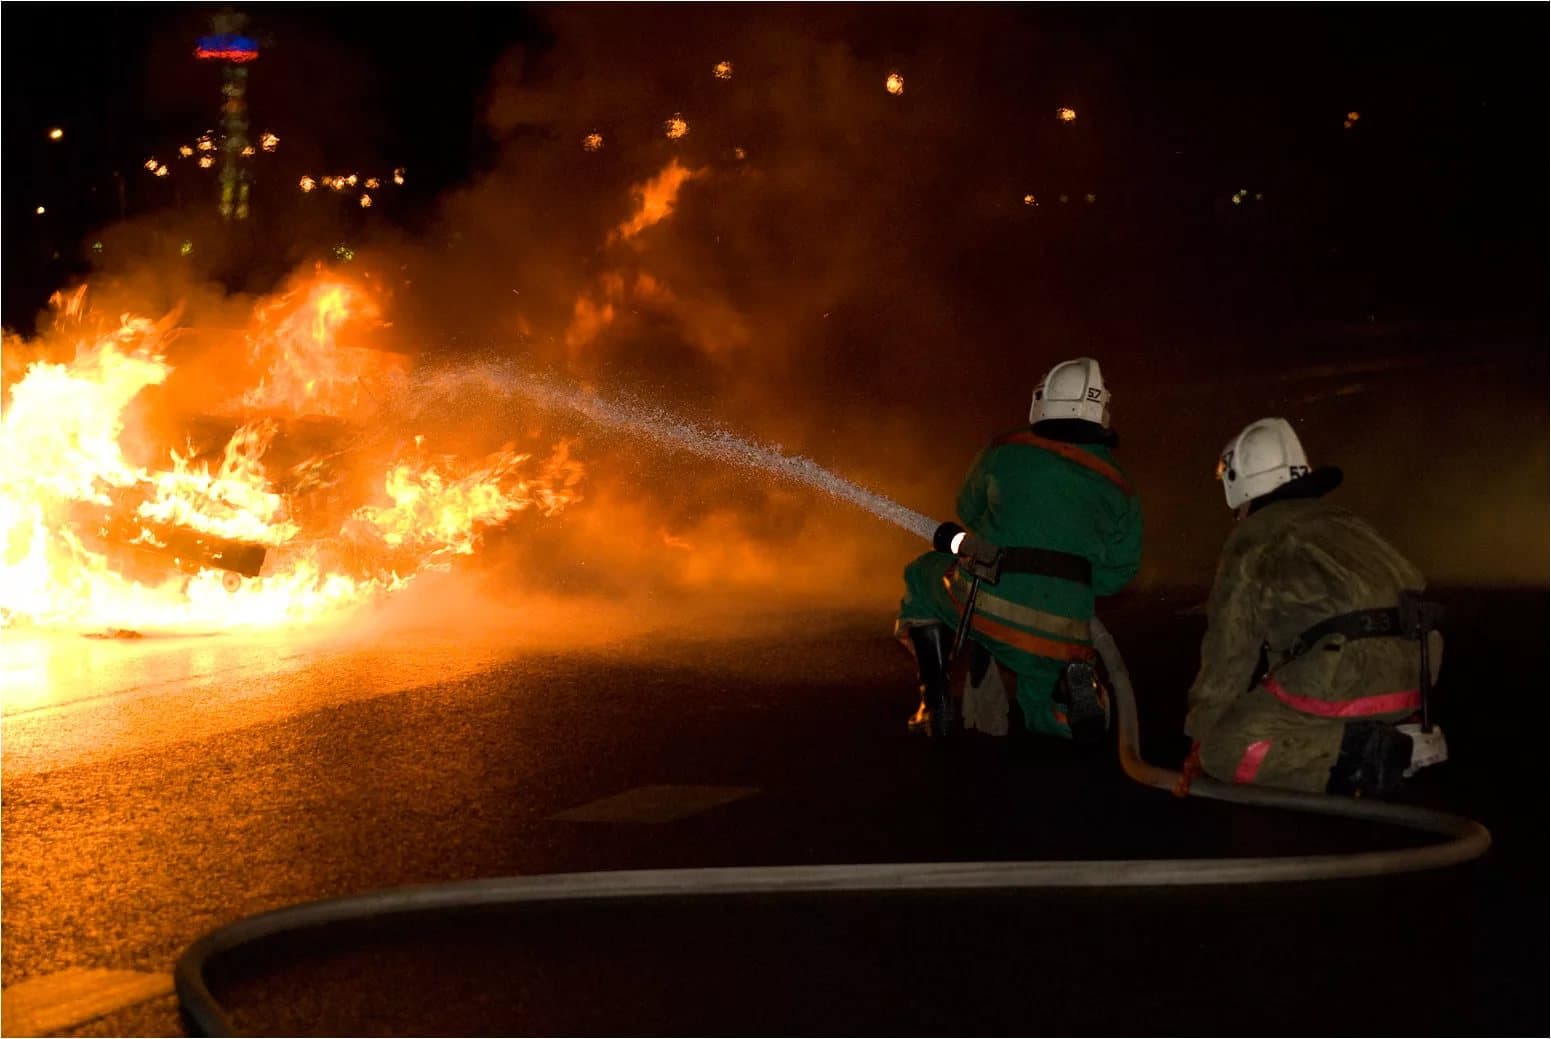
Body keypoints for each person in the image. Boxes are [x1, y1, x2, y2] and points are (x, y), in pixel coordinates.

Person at [1184, 417, 1448, 796]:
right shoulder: (1346, 522)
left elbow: (1230, 648)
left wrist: (1202, 737)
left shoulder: (1252, 537)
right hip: (1414, 678)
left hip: (1340, 674)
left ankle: (1365, 756)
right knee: (1291, 693)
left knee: (1225, 749)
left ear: (1238, 485)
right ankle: (1393, 739)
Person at [895, 357, 1143, 744]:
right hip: (1066, 627)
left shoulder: (1006, 448)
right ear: (1101, 409)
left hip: (986, 602)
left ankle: (936, 703)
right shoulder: (1118, 483)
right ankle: (1066, 691)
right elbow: (1118, 573)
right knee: (1042, 708)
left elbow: (968, 510)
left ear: (1041, 400)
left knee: (921, 575)